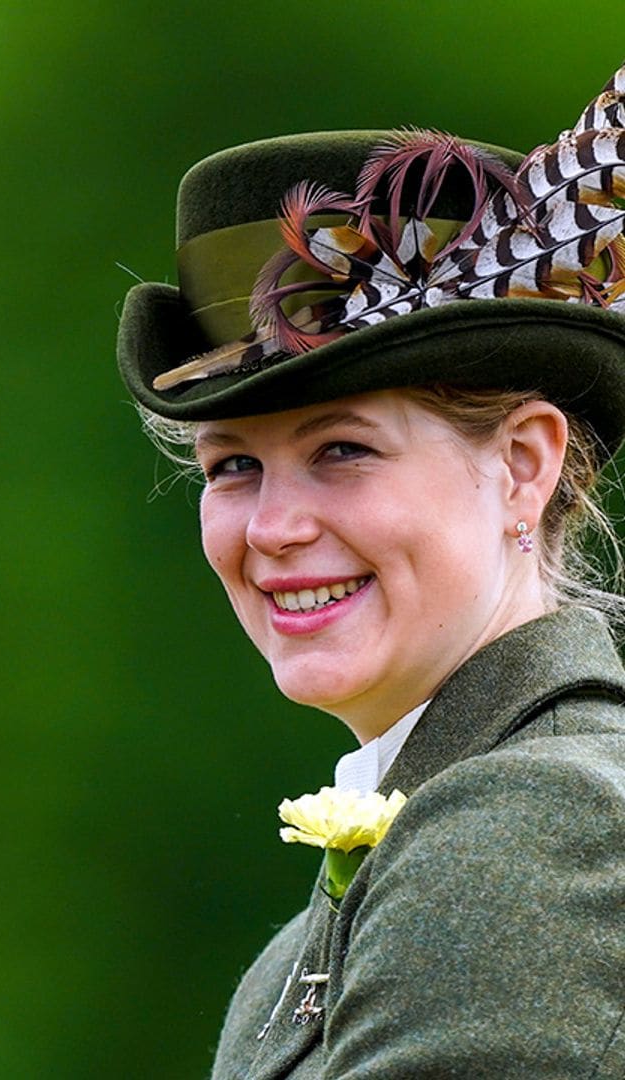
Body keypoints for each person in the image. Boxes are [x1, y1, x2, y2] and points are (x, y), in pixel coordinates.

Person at [117, 62, 625, 1078]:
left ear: (524, 466)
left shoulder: (525, 830)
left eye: (343, 450)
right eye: (235, 467)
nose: (275, 528)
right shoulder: (366, 890)